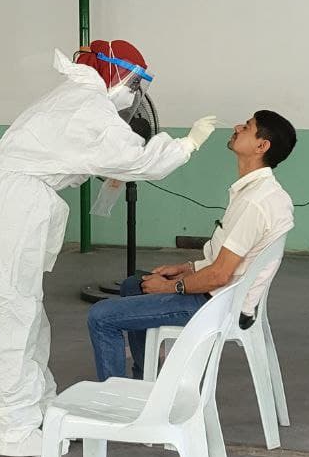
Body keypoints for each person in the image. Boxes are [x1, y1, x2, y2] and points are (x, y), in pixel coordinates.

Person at [0, 41, 217, 457]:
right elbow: (137, 160)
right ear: (113, 71)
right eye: (135, 81)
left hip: (12, 199)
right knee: (12, 314)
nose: (135, 93)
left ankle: (38, 408)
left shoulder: (74, 98)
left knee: (25, 312)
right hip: (11, 204)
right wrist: (185, 145)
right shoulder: (87, 105)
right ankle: (11, 430)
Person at [87, 110, 296, 381]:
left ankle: (114, 405)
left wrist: (171, 286)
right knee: (133, 285)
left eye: (247, 127)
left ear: (261, 146)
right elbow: (229, 263)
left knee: (101, 316)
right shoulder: (262, 192)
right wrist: (187, 268)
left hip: (213, 304)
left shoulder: (254, 203)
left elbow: (219, 275)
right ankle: (145, 382)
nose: (236, 126)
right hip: (225, 295)